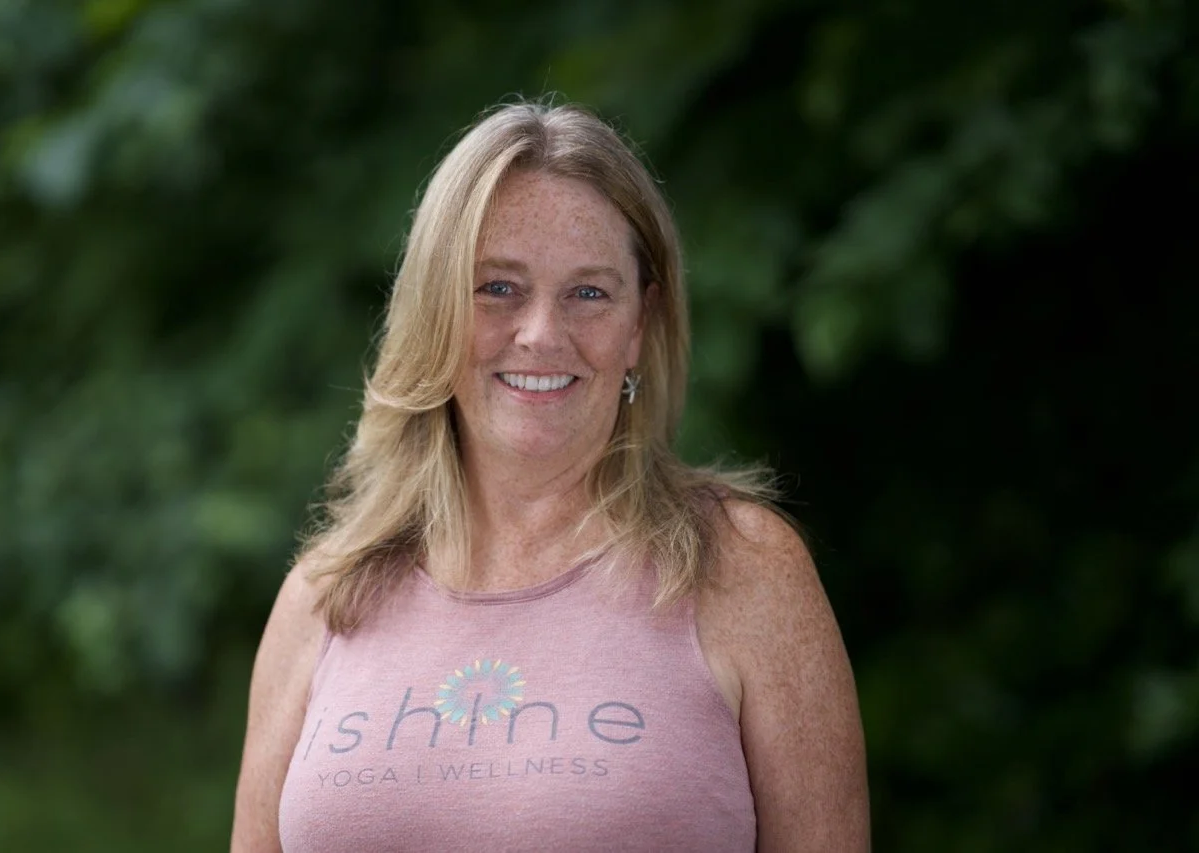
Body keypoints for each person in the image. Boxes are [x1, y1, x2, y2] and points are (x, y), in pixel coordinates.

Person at [231, 99, 869, 852]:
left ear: (639, 325)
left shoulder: (744, 570)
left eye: (589, 293)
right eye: (497, 287)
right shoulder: (322, 596)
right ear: (435, 309)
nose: (540, 334)